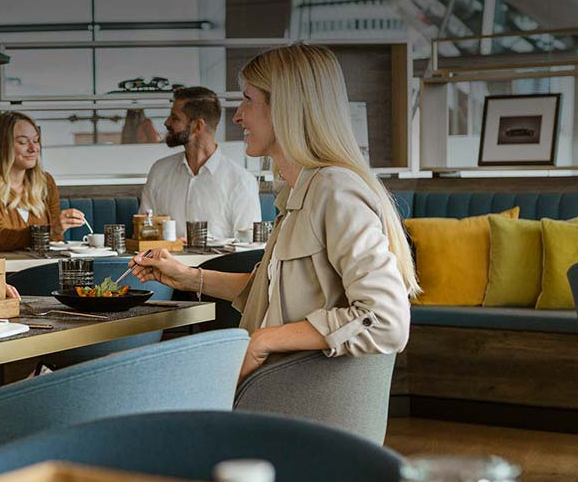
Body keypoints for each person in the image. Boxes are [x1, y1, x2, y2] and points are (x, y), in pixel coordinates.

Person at [128, 44, 416, 381]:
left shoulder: (335, 191)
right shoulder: (301, 191)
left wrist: (263, 340)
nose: (237, 116)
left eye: (247, 100)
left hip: (288, 395)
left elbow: (385, 320)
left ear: (286, 108)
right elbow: (273, 290)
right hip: (277, 388)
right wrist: (188, 277)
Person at [138, 85, 263, 241]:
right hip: (163, 264)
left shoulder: (241, 181)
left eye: (175, 118)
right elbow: (143, 233)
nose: (167, 122)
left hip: (218, 266)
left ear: (197, 126)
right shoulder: (159, 171)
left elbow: (248, 248)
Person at [0, 111, 86, 253]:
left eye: (35, 141)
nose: (33, 148)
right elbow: (0, 237)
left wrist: (56, 229)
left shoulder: (46, 182)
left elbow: (54, 239)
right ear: (2, 146)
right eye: (23, 142)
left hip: (39, 268)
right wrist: (49, 229)